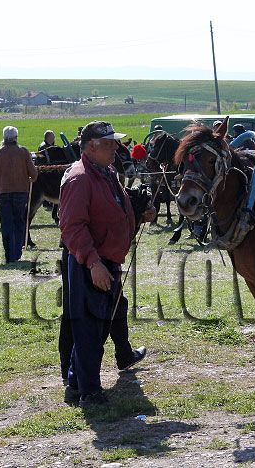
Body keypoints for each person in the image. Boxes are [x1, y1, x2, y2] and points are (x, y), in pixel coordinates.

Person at [59, 121, 156, 406]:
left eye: (115, 142)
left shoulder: (108, 172)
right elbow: (73, 228)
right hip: (92, 264)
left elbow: (118, 209)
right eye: (109, 143)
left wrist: (141, 214)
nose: (116, 147)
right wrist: (93, 263)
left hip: (108, 261)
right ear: (91, 147)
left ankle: (77, 385)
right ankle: (89, 393)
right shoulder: (79, 178)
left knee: (99, 327)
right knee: (89, 329)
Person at [0, 126, 38, 263]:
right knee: (19, 223)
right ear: (16, 138)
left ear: (4, 138)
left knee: (7, 223)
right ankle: (17, 253)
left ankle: (10, 255)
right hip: (21, 192)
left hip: (3, 193)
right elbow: (33, 174)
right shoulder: (23, 152)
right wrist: (31, 178)